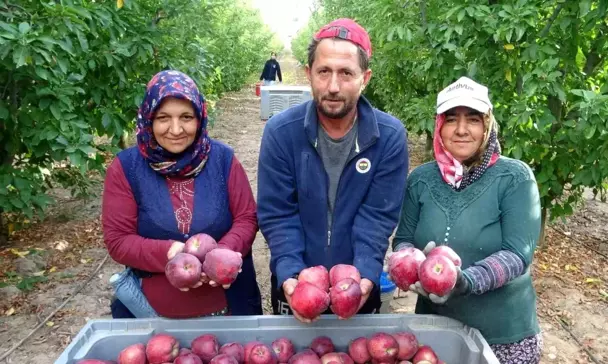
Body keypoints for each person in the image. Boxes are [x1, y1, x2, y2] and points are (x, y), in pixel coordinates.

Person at [256, 18, 409, 323]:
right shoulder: (281, 133)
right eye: (324, 72)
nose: (334, 86)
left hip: (357, 287)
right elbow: (278, 213)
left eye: (346, 73)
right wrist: (289, 273)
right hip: (296, 285)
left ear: (365, 78)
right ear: (308, 73)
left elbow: (378, 217)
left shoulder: (389, 137)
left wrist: (366, 273)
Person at [387, 76, 543, 363]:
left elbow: (518, 254)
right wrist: (405, 262)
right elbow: (404, 238)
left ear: (487, 126)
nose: (461, 130)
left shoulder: (515, 177)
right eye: (451, 119)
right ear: (439, 126)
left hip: (502, 334)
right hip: (436, 331)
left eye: (473, 119)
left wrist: (466, 281)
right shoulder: (421, 180)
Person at [102, 70, 263, 318]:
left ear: (200, 117)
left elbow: (246, 218)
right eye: (163, 117)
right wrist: (171, 252)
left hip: (230, 307)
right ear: (148, 119)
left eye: (186, 117)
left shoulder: (222, 160)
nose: (176, 129)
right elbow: (119, 240)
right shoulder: (126, 168)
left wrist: (220, 256)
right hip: (153, 314)